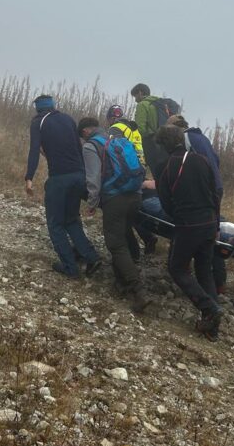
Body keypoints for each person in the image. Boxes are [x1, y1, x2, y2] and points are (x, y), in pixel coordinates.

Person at [155, 125, 223, 338]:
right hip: (210, 222)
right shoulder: (201, 159)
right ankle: (212, 326)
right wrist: (217, 223)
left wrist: (178, 217)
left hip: (187, 225)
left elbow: (165, 203)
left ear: (163, 145)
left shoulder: (164, 167)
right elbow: (216, 193)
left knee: (177, 268)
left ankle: (209, 308)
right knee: (204, 269)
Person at [24, 95, 101, 279]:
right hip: (78, 175)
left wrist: (29, 177)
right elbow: (77, 147)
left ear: (38, 108)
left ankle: (70, 267)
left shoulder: (38, 122)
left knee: (55, 224)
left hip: (59, 179)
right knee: (71, 219)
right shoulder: (67, 119)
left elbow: (34, 149)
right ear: (53, 105)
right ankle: (91, 257)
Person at [78, 117, 147, 313]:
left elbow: (93, 179)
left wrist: (91, 204)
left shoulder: (91, 146)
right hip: (135, 195)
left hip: (115, 198)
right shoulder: (117, 140)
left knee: (115, 243)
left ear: (84, 132)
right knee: (124, 232)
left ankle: (138, 290)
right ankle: (123, 278)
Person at [169, 115, 226, 293]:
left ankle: (183, 272)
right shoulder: (202, 138)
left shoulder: (187, 139)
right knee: (211, 233)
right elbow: (215, 159)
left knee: (203, 233)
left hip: (206, 189)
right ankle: (218, 282)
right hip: (215, 185)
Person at [107, 104, 157, 256]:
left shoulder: (115, 129)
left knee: (127, 212)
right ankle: (147, 237)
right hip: (139, 170)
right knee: (135, 208)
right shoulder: (133, 128)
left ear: (110, 118)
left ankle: (138, 245)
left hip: (126, 173)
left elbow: (114, 152)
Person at [130, 83, 180, 176]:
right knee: (166, 173)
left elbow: (140, 128)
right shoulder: (160, 104)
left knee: (156, 173)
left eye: (135, 96)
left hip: (151, 142)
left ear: (140, 93)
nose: (135, 100)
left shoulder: (142, 104)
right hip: (165, 144)